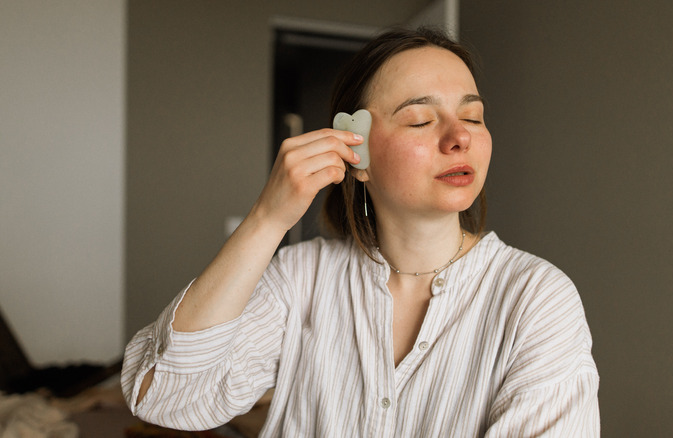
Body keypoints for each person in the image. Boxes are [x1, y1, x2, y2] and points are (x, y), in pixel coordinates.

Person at [121, 27, 600, 437]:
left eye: (473, 116)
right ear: (357, 152)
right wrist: (267, 220)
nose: (460, 136)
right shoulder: (299, 278)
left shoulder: (537, 298)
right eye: (420, 118)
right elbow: (162, 396)